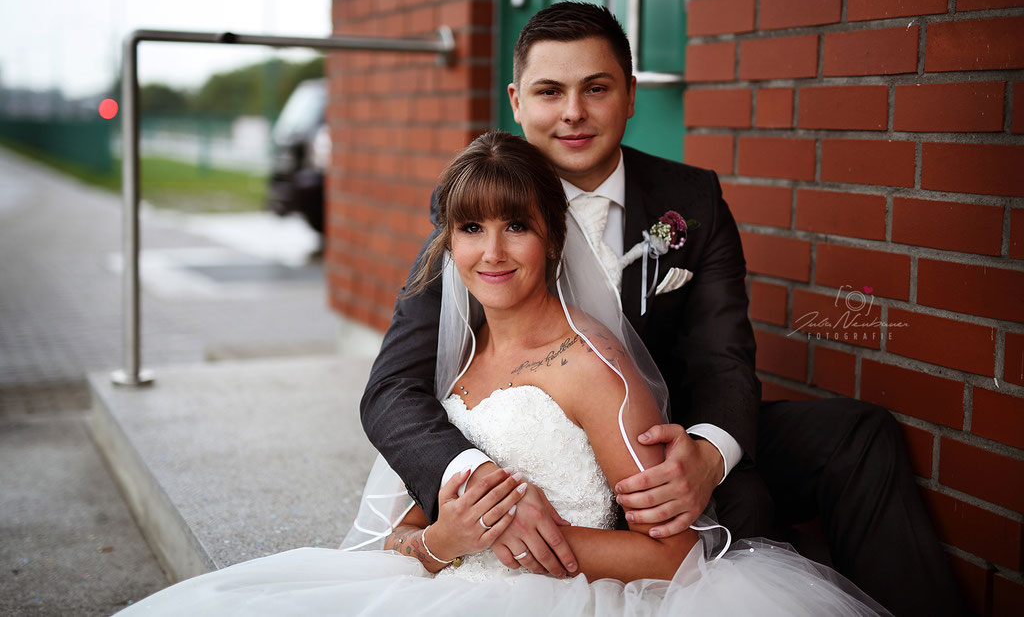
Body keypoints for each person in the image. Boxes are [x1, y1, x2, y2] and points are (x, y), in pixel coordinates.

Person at [118, 131, 885, 615]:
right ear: (448, 243)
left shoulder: (595, 369)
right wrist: (448, 537)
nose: (492, 251)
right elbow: (405, 536)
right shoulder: (457, 359)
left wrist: (529, 540)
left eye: (517, 225)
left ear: (554, 239)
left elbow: (676, 553)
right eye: (472, 228)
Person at [361, 3, 963, 616]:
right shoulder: (481, 211)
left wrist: (708, 452)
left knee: (857, 435)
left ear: (629, 96)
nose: (573, 112)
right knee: (743, 515)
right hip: (569, 459)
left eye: (596, 88)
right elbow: (389, 390)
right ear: (517, 102)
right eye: (550, 92)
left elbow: (722, 352)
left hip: (671, 436)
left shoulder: (689, 199)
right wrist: (477, 483)